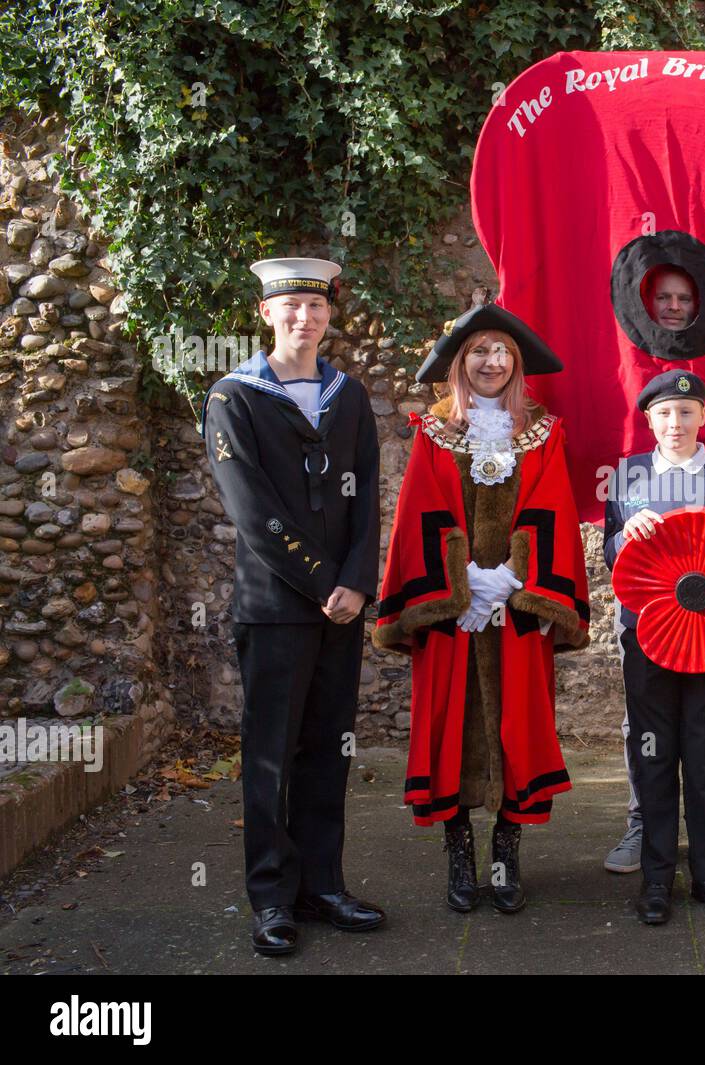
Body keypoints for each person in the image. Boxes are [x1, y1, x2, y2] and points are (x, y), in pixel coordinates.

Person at [374, 303, 589, 915]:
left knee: (516, 726)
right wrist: (460, 583)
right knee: (452, 725)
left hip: (517, 611)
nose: (492, 361)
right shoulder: (432, 430)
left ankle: (506, 854)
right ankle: (460, 857)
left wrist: (508, 583)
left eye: (502, 352)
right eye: (479, 352)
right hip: (453, 614)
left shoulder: (545, 431)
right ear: (459, 363)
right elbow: (421, 512)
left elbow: (553, 511)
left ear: (515, 364)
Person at [201, 257, 384, 956]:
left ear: (329, 315)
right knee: (271, 757)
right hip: (277, 606)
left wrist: (359, 581)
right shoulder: (233, 398)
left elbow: (367, 494)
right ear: (265, 313)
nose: (303, 318)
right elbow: (253, 512)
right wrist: (323, 583)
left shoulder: (350, 396)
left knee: (328, 751)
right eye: (290, 307)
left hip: (343, 606)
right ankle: (272, 898)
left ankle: (323, 885)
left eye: (315, 306)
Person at [605, 264, 705, 877]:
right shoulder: (628, 475)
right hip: (645, 626)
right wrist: (623, 536)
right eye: (666, 414)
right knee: (648, 734)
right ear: (650, 421)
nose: (677, 424)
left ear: (702, 417)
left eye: (687, 412)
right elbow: (612, 552)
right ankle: (645, 831)